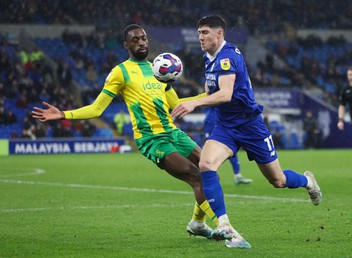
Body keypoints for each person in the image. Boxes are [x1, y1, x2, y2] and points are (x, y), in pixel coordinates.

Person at [32, 24, 219, 240]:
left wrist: (204, 97)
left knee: (209, 170)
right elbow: (96, 108)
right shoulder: (120, 72)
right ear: (126, 44)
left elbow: (176, 104)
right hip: (152, 139)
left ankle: (197, 223)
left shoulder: (158, 69)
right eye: (136, 39)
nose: (141, 42)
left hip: (173, 132)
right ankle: (225, 227)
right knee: (196, 178)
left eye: (144, 38)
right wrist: (64, 114)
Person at [171, 15, 322, 249]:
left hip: (250, 126)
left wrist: (194, 104)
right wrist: (186, 101)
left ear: (219, 34)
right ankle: (224, 224)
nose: (200, 37)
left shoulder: (227, 56)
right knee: (206, 165)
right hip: (225, 126)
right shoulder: (208, 57)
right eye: (199, 32)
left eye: (205, 32)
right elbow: (210, 90)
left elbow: (225, 94)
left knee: (278, 180)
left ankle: (307, 181)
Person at [204, 107, 253, 185]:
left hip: (222, 136)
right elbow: (208, 125)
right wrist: (208, 137)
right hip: (215, 138)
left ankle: (237, 176)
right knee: (212, 159)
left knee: (231, 155)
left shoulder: (219, 111)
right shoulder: (212, 113)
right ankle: (207, 176)